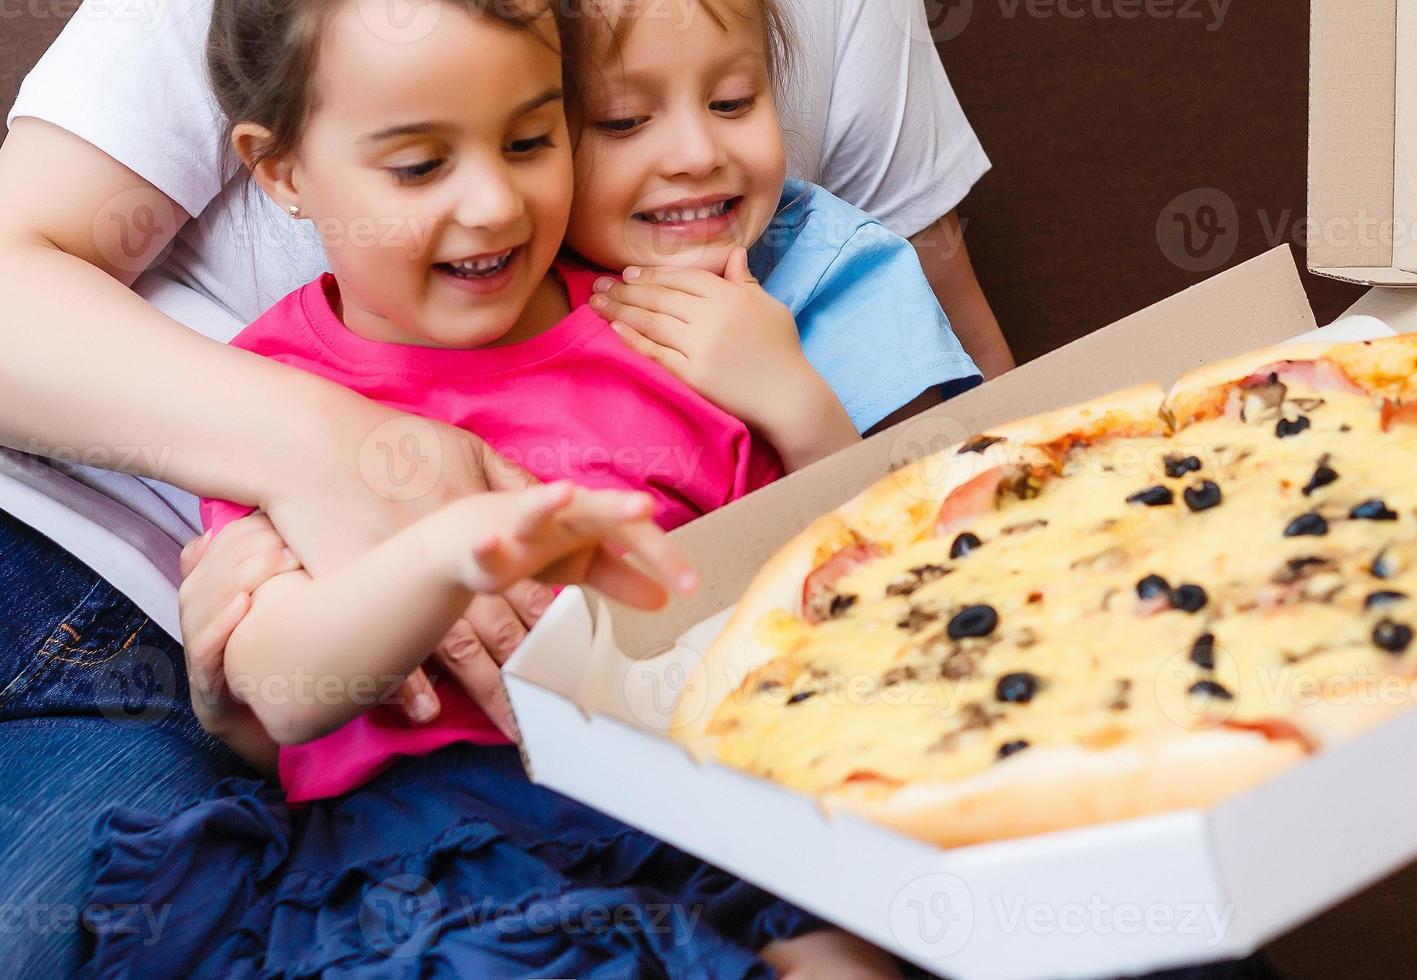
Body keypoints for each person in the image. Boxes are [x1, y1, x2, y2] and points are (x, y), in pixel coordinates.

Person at [0, 0, 999, 971]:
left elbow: (827, 575)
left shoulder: (664, 339)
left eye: (532, 141)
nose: (493, 205)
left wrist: (801, 405)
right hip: (437, 836)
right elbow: (281, 690)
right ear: (280, 170)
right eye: (422, 163)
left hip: (687, 789)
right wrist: (434, 555)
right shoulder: (278, 376)